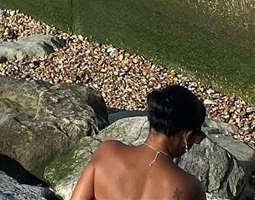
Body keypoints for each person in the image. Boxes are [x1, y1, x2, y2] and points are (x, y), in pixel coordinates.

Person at [70, 84, 205, 200]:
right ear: (187, 136)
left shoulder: (107, 152)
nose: (197, 141)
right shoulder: (190, 188)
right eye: (196, 135)